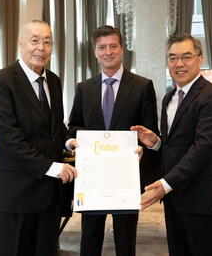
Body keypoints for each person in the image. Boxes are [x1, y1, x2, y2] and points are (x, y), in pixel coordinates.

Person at [131, 33, 212, 256]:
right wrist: (156, 143)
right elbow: (176, 145)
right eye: (172, 58)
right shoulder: (169, 98)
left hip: (200, 199)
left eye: (186, 56)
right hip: (174, 200)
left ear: (200, 60)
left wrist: (165, 184)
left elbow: (201, 149)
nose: (179, 63)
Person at [0, 20, 78, 256]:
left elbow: (55, 126)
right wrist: (51, 167)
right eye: (34, 40)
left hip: (48, 194)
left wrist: (69, 142)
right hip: (15, 192)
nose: (41, 47)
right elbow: (10, 136)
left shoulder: (54, 81)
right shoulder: (1, 80)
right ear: (20, 44)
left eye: (47, 42)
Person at [68, 25, 159, 256]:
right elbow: (74, 126)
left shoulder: (142, 86)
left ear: (122, 49)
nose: (108, 52)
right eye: (102, 47)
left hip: (126, 177)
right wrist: (78, 141)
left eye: (113, 46)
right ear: (95, 51)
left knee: (126, 239)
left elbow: (151, 133)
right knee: (90, 238)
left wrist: (143, 148)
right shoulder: (84, 88)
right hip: (92, 177)